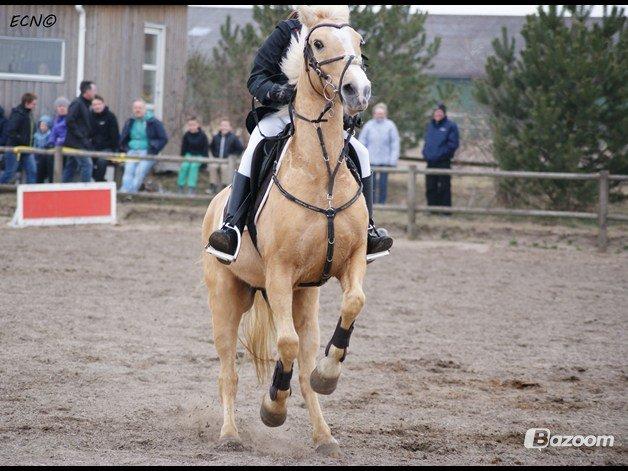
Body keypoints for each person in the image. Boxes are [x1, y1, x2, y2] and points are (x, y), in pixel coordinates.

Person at [205, 11, 393, 262]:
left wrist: (347, 112)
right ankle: (232, 226)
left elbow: (349, 74)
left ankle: (368, 229)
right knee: (258, 141)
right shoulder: (287, 32)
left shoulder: (342, 35)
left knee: (361, 152)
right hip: (284, 112)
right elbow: (256, 79)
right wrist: (277, 92)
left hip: (326, 118)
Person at [118, 99, 168, 193]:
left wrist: (153, 149)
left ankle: (131, 193)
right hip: (132, 150)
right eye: (135, 108)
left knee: (139, 172)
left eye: (140, 108)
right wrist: (126, 148)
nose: (137, 110)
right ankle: (124, 192)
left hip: (147, 151)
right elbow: (124, 137)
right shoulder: (130, 122)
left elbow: (163, 138)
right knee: (128, 171)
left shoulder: (154, 122)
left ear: (145, 109)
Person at [358, 103, 400, 204]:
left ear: (385, 114)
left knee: (383, 184)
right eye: (377, 113)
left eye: (381, 113)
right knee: (370, 184)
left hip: (385, 161)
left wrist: (392, 160)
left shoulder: (390, 126)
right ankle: (371, 203)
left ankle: (382, 203)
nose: (379, 115)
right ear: (374, 114)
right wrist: (362, 159)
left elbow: (395, 143)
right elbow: (362, 142)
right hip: (371, 161)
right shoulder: (368, 125)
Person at [422, 102, 459, 213]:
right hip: (430, 162)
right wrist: (425, 153)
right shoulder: (430, 125)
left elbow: (453, 144)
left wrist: (441, 154)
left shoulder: (451, 126)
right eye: (436, 112)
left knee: (444, 187)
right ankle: (432, 210)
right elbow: (427, 142)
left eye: (440, 112)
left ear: (444, 113)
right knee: (430, 186)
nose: (437, 114)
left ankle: (445, 211)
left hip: (443, 162)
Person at [63, 80, 97, 182]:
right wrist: (81, 136)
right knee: (87, 165)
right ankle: (86, 191)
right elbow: (69, 120)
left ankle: (62, 189)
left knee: (70, 167)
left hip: (78, 142)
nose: (96, 92)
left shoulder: (85, 105)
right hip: (76, 143)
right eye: (94, 90)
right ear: (87, 91)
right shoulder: (77, 103)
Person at [0, 93, 37, 184]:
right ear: (26, 103)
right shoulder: (18, 114)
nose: (34, 106)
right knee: (10, 173)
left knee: (32, 171)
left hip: (27, 148)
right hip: (14, 148)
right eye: (33, 104)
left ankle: (30, 193)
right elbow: (11, 131)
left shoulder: (29, 114)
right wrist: (21, 139)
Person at [208, 118, 244, 193]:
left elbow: (240, 148)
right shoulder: (216, 137)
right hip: (217, 159)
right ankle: (213, 186)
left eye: (226, 126)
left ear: (230, 127)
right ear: (220, 127)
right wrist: (215, 154)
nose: (224, 127)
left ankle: (224, 187)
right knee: (212, 166)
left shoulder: (233, 137)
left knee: (224, 168)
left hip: (227, 160)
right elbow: (211, 147)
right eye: (222, 125)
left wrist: (233, 155)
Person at [90, 95, 120, 182]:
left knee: (101, 161)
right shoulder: (89, 117)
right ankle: (100, 179)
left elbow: (115, 136)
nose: (97, 106)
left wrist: (115, 150)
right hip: (92, 148)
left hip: (108, 148)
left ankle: (99, 183)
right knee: (83, 160)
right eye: (94, 105)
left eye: (99, 104)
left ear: (103, 104)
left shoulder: (110, 117)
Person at [177, 117, 209, 195]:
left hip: (199, 155)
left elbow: (205, 149)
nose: (192, 127)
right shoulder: (186, 135)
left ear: (198, 125)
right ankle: (180, 186)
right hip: (189, 155)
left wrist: (204, 163)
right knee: (184, 166)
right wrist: (182, 157)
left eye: (193, 125)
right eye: (190, 125)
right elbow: (183, 147)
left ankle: (191, 188)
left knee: (193, 167)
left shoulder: (203, 135)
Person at [33, 114, 53, 183]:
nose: (42, 127)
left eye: (44, 125)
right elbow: (34, 145)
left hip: (46, 157)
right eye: (41, 125)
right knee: (38, 173)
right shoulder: (36, 135)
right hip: (37, 156)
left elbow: (49, 144)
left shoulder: (50, 134)